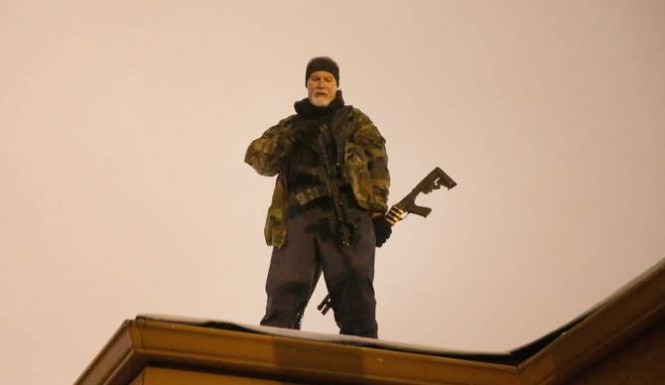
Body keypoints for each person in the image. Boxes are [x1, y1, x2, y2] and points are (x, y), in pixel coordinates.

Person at [244, 57, 391, 338]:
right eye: (315, 79)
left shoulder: (354, 122)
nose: (321, 84)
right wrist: (291, 138)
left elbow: (377, 163)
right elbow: (257, 156)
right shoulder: (290, 125)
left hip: (348, 214)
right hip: (299, 217)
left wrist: (377, 212)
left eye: (327, 79)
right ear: (307, 85)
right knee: (287, 284)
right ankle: (275, 348)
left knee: (354, 284)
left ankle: (364, 354)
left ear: (336, 86)